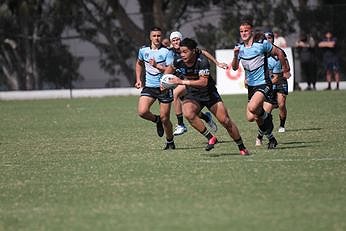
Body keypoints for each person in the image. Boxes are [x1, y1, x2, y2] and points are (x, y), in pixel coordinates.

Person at [165, 38, 249, 155]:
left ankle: (242, 147)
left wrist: (183, 82)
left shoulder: (202, 61)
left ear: (193, 51)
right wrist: (164, 81)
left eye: (185, 52)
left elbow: (203, 83)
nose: (182, 55)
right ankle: (211, 138)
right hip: (193, 94)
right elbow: (169, 70)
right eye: (181, 52)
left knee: (225, 121)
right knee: (188, 113)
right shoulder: (178, 60)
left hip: (209, 93)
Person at [232, 21, 291, 149]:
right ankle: (271, 137)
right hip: (252, 86)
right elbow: (235, 68)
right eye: (241, 31)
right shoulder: (239, 48)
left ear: (251, 31)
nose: (244, 33)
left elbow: (280, 53)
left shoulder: (262, 45)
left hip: (264, 83)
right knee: (251, 117)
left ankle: (266, 117)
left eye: (246, 31)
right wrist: (235, 55)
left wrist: (285, 69)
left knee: (253, 108)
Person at [169, 31, 227, 136]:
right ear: (171, 42)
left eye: (178, 39)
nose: (176, 41)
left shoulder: (189, 48)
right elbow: (169, 67)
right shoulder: (170, 52)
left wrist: (217, 63)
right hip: (181, 80)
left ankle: (181, 125)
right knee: (190, 109)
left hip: (188, 80)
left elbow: (203, 52)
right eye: (173, 40)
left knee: (175, 94)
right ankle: (206, 117)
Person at [135, 27, 175, 150]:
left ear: (161, 37)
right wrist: (138, 79)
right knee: (142, 112)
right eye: (154, 36)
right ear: (150, 37)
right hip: (150, 87)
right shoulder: (143, 50)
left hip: (164, 87)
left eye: (159, 36)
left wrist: (157, 65)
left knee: (165, 118)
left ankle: (170, 142)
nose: (157, 38)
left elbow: (170, 69)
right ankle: (156, 120)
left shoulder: (167, 52)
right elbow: (139, 63)